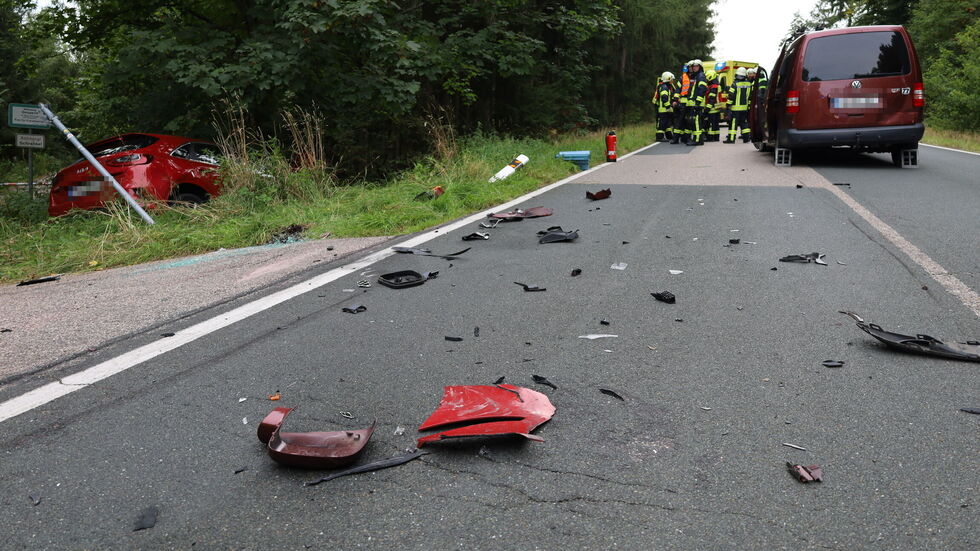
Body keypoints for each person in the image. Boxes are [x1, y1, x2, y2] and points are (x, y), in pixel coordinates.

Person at [725, 66, 752, 143]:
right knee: (744, 123)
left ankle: (731, 139)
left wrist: (728, 106)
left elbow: (731, 96)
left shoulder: (735, 84)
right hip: (744, 108)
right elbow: (750, 96)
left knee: (733, 124)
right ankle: (746, 138)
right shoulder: (749, 84)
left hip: (735, 109)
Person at [685, 59, 707, 146]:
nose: (694, 68)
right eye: (693, 66)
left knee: (697, 122)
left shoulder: (701, 76)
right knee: (695, 122)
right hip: (695, 103)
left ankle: (698, 140)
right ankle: (698, 139)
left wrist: (697, 102)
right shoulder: (696, 76)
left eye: (696, 66)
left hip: (698, 104)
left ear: (700, 67)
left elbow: (702, 90)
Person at [670, 62, 690, 144]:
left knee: (680, 121)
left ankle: (677, 139)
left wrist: (675, 100)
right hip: (687, 103)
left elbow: (677, 89)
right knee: (685, 121)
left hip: (684, 103)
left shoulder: (683, 77)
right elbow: (678, 90)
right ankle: (684, 138)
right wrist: (675, 100)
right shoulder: (691, 77)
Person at [653, 72, 676, 142]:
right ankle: (659, 137)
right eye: (671, 79)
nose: (672, 81)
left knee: (667, 123)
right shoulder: (664, 87)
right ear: (668, 79)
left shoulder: (666, 86)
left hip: (665, 109)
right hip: (663, 109)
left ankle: (669, 136)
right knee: (662, 124)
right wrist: (668, 106)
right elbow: (664, 98)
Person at [703, 69, 722, 142]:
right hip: (716, 107)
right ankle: (716, 137)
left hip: (712, 108)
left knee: (711, 124)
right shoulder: (716, 85)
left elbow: (711, 98)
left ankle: (710, 138)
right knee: (716, 124)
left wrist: (707, 108)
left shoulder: (713, 86)